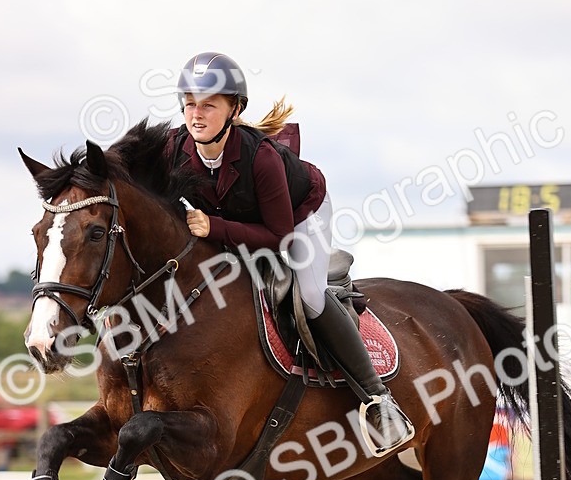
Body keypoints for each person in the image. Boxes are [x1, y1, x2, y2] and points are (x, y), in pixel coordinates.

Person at [169, 51, 414, 457]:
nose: (197, 114)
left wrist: (214, 228)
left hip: (300, 219)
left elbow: (278, 238)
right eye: (190, 104)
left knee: (310, 297)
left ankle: (379, 402)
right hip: (241, 220)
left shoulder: (262, 158)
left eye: (209, 104)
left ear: (234, 110)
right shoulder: (174, 148)